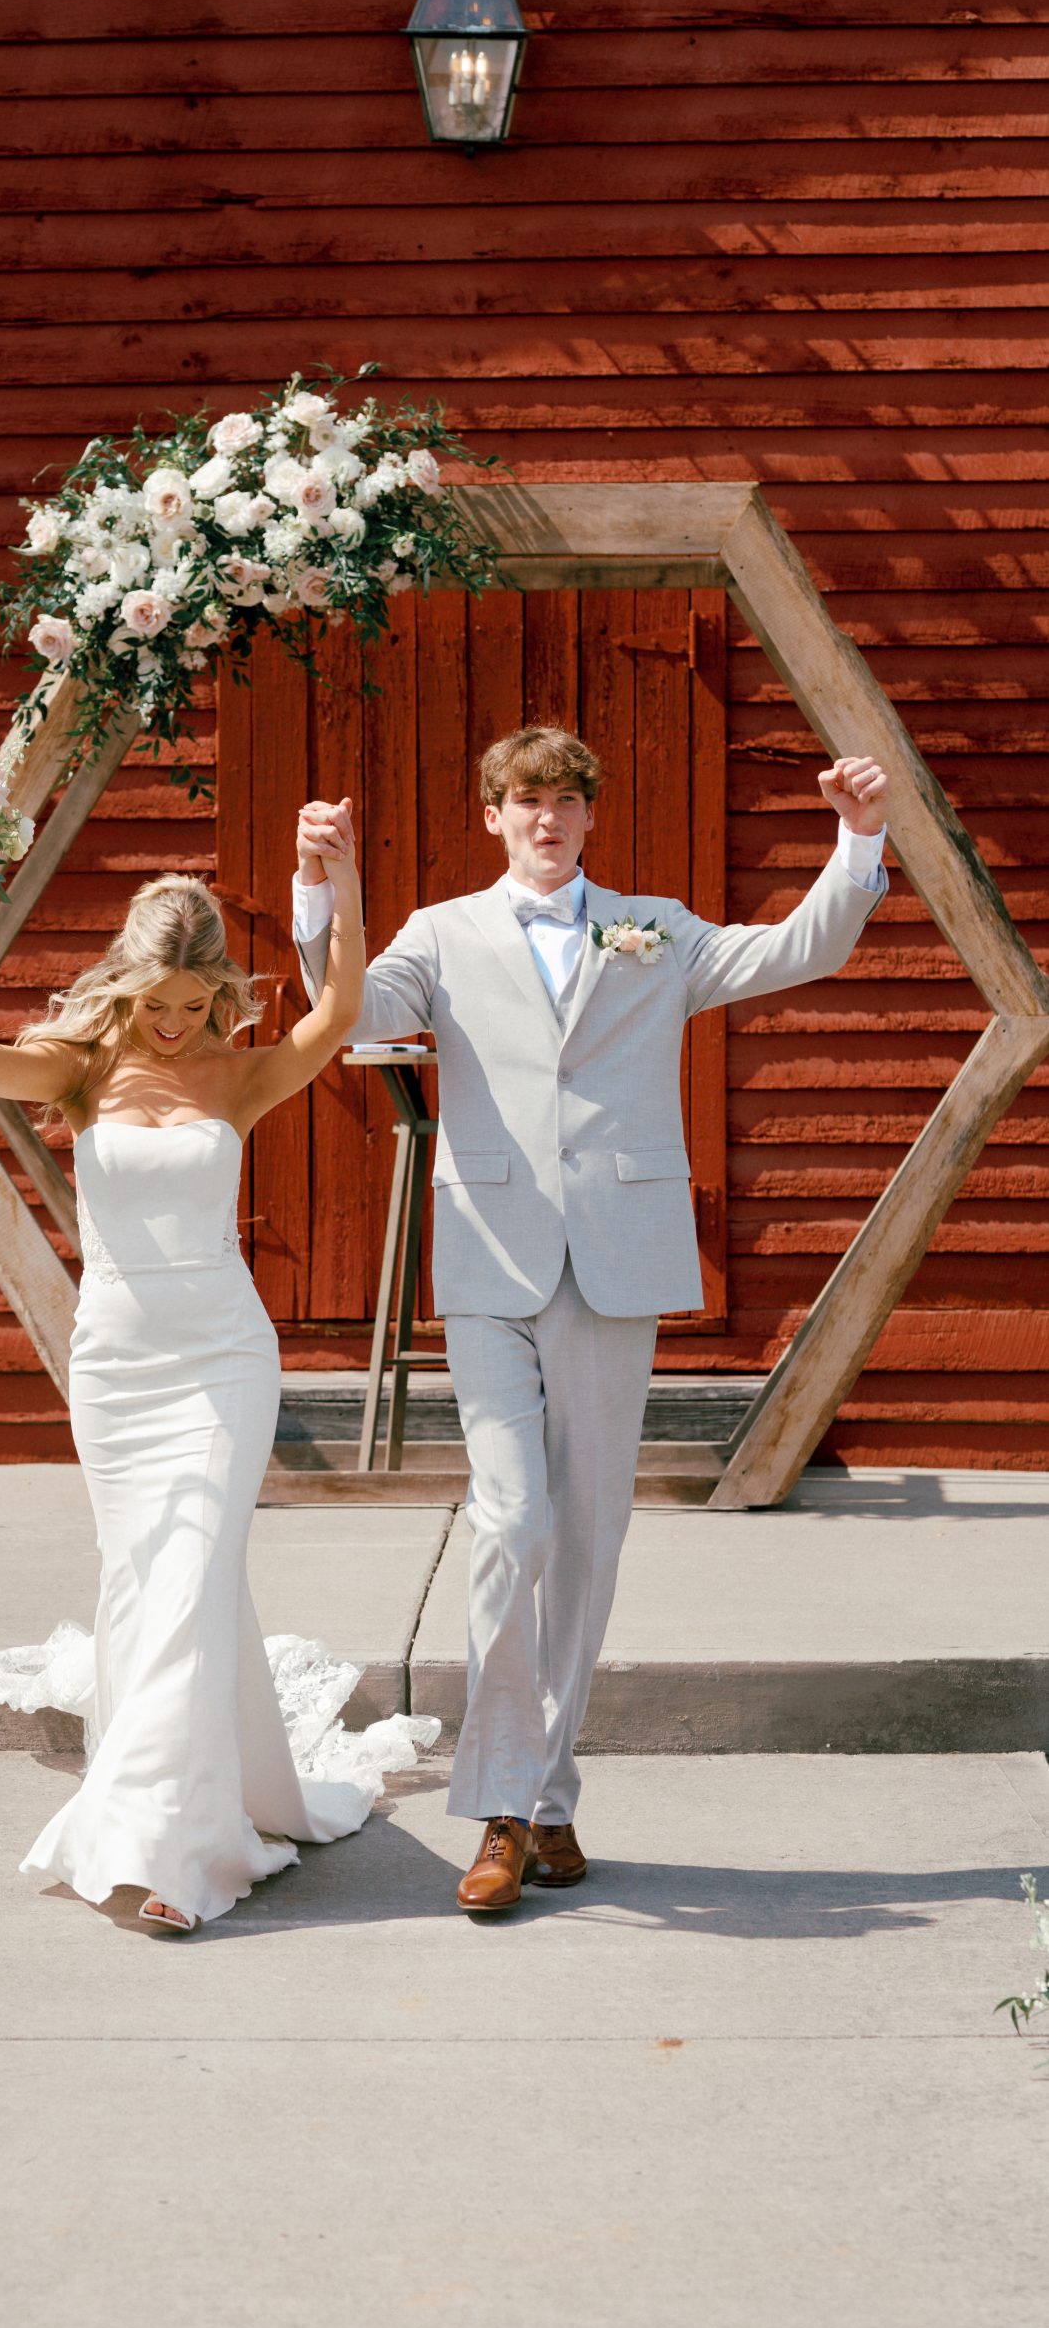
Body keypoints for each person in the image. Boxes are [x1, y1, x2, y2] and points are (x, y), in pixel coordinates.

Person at [294, 726, 890, 1914]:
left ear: (591, 816)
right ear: (493, 815)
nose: (547, 818)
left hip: (615, 1261)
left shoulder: (653, 927)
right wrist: (324, 884)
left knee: (592, 1542)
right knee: (511, 1520)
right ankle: (505, 1811)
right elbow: (346, 1003)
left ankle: (546, 1797)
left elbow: (793, 950)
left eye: (566, 799)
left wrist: (859, 834)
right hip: (491, 1259)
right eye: (525, 800)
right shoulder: (441, 933)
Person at [0, 855, 435, 1934]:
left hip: (222, 1361)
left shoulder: (235, 1078)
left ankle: (178, 1860)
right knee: (149, 1580)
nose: (181, 1022)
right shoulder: (78, 1067)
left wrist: (339, 887)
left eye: (197, 1004)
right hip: (115, 1364)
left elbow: (335, 1015)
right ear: (126, 985)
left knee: (190, 1570)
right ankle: (195, 1788)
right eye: (160, 1004)